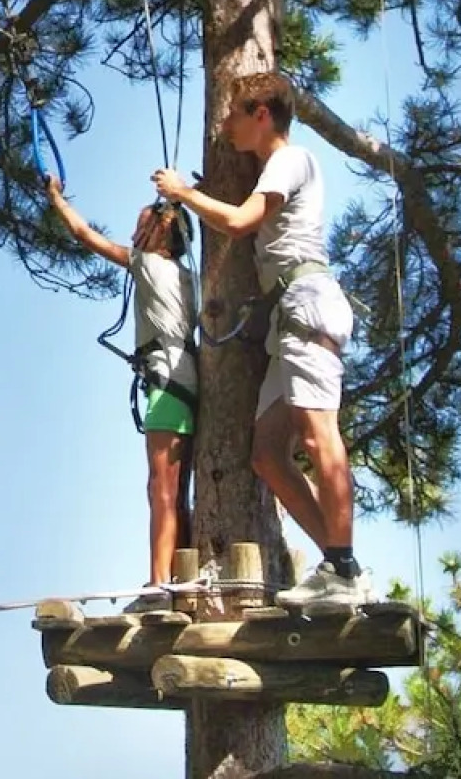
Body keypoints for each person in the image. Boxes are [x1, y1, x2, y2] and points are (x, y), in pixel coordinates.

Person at [151, 71, 373, 607]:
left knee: (320, 437)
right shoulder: (276, 165)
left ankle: (340, 568)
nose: (224, 126)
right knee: (267, 454)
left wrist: (184, 193)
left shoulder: (290, 160)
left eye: (232, 115)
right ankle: (345, 566)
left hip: (306, 304)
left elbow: (243, 221)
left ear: (262, 116)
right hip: (288, 318)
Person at [45, 176, 198, 615]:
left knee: (160, 487)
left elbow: (84, 235)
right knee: (174, 487)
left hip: (167, 382)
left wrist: (56, 197)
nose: (133, 235)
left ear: (163, 234)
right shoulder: (188, 278)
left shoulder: (148, 265)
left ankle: (159, 583)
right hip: (184, 377)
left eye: (141, 225)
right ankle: (177, 577)